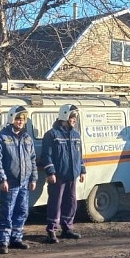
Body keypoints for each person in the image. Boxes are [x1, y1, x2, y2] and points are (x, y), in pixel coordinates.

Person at [0, 106, 37, 253]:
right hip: (10, 182)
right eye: (18, 119)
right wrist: (2, 179)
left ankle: (16, 238)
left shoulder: (27, 137)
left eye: (23, 119)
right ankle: (3, 241)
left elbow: (33, 159)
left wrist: (33, 178)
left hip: (24, 181)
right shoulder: (1, 137)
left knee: (22, 210)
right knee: (7, 212)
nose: (20, 122)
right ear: (11, 119)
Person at [40, 104, 85, 243]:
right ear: (65, 116)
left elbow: (79, 155)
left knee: (71, 202)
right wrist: (51, 172)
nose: (74, 120)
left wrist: (82, 170)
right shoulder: (51, 134)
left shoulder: (76, 135)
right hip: (58, 176)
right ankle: (51, 231)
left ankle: (67, 228)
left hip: (72, 175)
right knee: (55, 203)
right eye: (72, 117)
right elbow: (46, 156)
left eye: (75, 117)